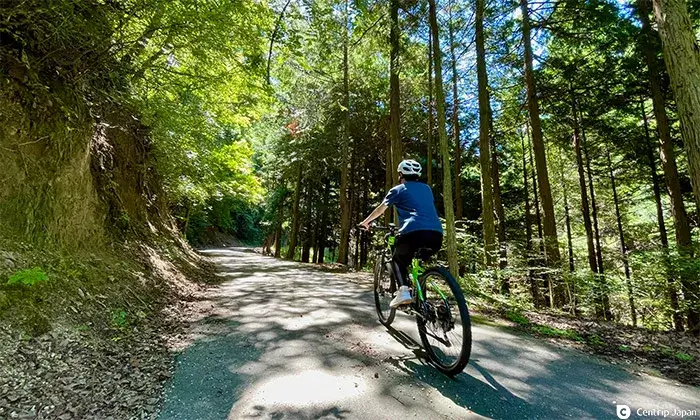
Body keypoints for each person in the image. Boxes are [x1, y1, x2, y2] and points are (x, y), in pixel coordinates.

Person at [359, 159, 443, 307]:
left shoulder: (398, 189)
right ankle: (421, 298)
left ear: (400, 174)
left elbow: (381, 208)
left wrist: (366, 222)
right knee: (417, 262)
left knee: (397, 260)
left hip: (412, 232)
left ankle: (403, 290)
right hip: (436, 234)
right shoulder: (427, 189)